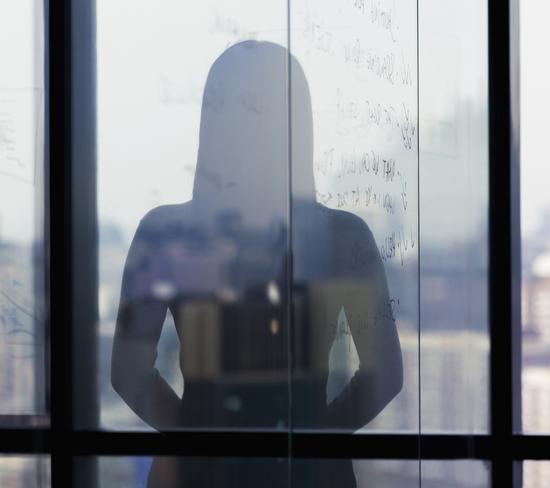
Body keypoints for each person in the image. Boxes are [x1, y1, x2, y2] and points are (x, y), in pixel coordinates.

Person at [111, 40, 402, 487]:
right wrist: (313, 441)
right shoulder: (343, 236)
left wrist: (196, 437)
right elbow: (384, 377)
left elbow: (128, 373)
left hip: (203, 474)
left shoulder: (166, 232)